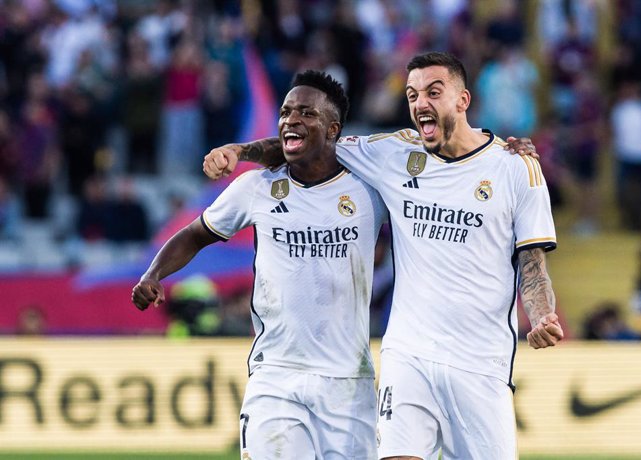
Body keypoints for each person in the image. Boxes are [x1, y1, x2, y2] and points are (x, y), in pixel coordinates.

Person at [203, 52, 562, 459]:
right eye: (412, 95)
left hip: (480, 364)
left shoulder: (515, 168)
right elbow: (306, 145)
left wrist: (542, 314)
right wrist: (240, 150)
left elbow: (533, 264)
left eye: (433, 91)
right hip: (408, 356)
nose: (419, 103)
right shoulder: (393, 153)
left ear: (463, 100)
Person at [132, 71, 386, 458]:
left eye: (306, 113)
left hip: (349, 383)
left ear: (333, 129)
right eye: (285, 111)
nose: (291, 120)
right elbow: (196, 233)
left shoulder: (371, 185)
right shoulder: (256, 188)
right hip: (276, 377)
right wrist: (153, 273)